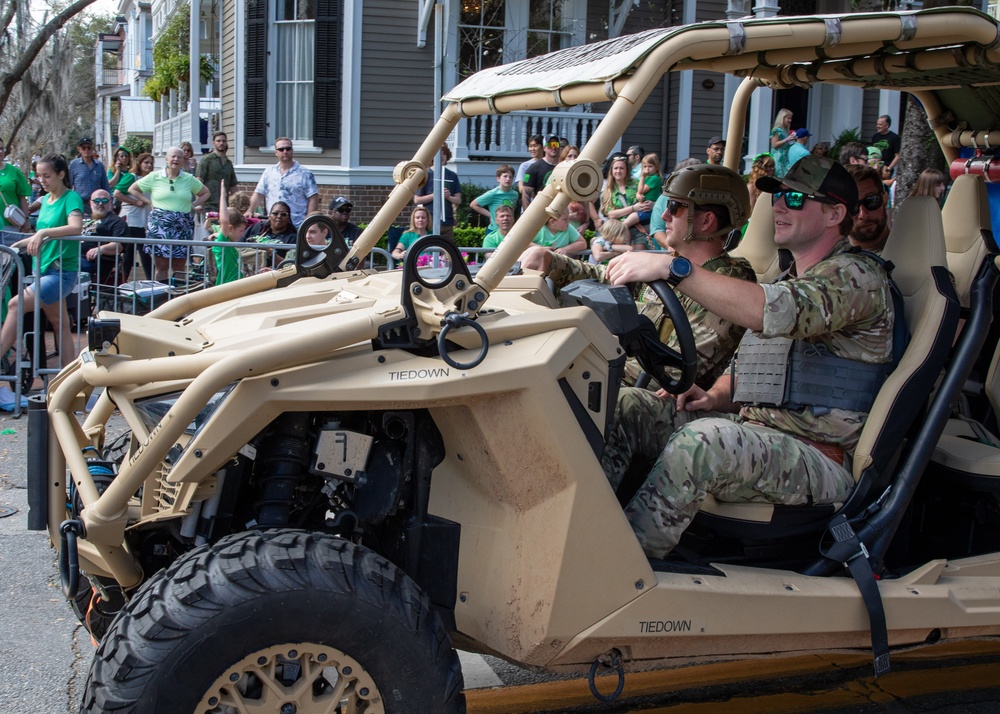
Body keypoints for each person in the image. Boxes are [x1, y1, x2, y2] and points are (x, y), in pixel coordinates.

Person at [601, 155, 893, 559]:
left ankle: (618, 569)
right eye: (775, 196)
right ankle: (584, 533)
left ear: (835, 213)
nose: (776, 206)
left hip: (820, 455)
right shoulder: (789, 280)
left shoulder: (856, 278)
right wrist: (715, 395)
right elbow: (757, 361)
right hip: (758, 430)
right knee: (627, 406)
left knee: (704, 442)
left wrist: (673, 267)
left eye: (794, 198)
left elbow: (769, 310)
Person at [522, 163, 756, 391]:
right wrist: (552, 263)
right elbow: (609, 277)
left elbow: (674, 372)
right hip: (628, 377)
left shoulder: (728, 282)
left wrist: (584, 364)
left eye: (675, 207)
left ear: (706, 221)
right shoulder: (669, 264)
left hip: (668, 399)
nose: (664, 215)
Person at [0, 154, 85, 405]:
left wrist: (44, 232)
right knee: (60, 324)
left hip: (60, 273)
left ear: (61, 174)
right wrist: (22, 243)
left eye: (46, 175)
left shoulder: (72, 198)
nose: (42, 180)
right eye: (39, 176)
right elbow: (40, 233)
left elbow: (75, 227)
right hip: (43, 269)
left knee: (15, 305)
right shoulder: (46, 200)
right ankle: (71, 383)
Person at [129, 146, 210, 282]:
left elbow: (205, 193)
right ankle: (160, 296)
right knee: (161, 266)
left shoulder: (188, 178)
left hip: (182, 225)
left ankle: (178, 296)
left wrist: (193, 205)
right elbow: (133, 189)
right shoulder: (155, 176)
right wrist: (148, 202)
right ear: (166, 159)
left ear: (183, 160)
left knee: (179, 266)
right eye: (173, 156)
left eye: (179, 157)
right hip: (160, 225)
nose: (175, 159)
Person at [247, 138, 319, 228]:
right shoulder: (269, 172)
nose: (285, 151)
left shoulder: (305, 173)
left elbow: (313, 198)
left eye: (288, 149)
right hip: (273, 225)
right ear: (276, 152)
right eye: (281, 149)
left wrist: (308, 222)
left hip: (297, 225)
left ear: (292, 151)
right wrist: (249, 210)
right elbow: (259, 194)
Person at [599, 155, 654, 249]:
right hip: (618, 232)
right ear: (611, 171)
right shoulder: (607, 191)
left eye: (621, 168)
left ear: (627, 170)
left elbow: (652, 197)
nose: (618, 171)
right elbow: (611, 214)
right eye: (616, 168)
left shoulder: (637, 184)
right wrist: (633, 208)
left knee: (638, 258)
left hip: (639, 228)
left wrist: (653, 204)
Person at [114, 152, 154, 281]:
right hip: (131, 220)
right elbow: (117, 193)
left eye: (151, 163)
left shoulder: (150, 180)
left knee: (135, 254)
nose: (149, 165)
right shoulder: (132, 177)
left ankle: (123, 280)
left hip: (143, 221)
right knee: (137, 254)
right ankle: (150, 281)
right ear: (139, 163)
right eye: (146, 162)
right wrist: (135, 201)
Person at [80, 189, 128, 284]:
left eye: (105, 201)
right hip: (72, 257)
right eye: (96, 201)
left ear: (110, 203)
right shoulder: (83, 218)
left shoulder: (117, 222)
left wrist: (100, 249)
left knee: (65, 267)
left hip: (95, 262)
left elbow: (119, 245)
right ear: (90, 203)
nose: (100, 203)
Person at [413, 145, 461, 240]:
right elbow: (417, 200)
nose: (441, 156)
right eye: (438, 154)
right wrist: (435, 195)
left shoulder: (452, 176)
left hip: (447, 222)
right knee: (430, 250)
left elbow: (458, 200)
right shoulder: (426, 175)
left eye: (444, 153)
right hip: (430, 222)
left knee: (447, 252)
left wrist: (448, 197)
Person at [845, 164, 890, 253]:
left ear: (885, 199)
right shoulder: (828, 257)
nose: (863, 214)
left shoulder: (915, 251)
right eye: (852, 206)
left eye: (871, 201)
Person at [210, 183, 248, 286]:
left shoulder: (230, 245)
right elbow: (224, 221)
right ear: (230, 228)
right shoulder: (222, 243)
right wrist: (223, 196)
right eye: (240, 231)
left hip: (234, 286)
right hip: (225, 286)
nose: (242, 234)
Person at [243, 200, 296, 272]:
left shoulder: (293, 238)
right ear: (269, 216)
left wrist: (269, 252)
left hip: (272, 275)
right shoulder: (258, 227)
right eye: (275, 213)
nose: (279, 216)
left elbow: (289, 265)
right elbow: (237, 245)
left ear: (288, 218)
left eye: (283, 214)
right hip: (248, 272)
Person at [196, 131, 239, 213]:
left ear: (226, 142)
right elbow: (198, 182)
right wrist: (199, 203)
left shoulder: (228, 163)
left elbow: (233, 186)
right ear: (213, 143)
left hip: (224, 206)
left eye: (223, 141)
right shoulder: (206, 160)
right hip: (208, 205)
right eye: (218, 141)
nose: (221, 143)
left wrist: (238, 204)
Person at [470, 164, 518, 234]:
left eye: (510, 177)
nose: (508, 179)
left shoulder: (515, 194)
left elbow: (513, 208)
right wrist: (491, 215)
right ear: (498, 179)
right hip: (494, 230)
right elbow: (473, 204)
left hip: (508, 230)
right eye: (505, 176)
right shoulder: (493, 193)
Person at [68, 138, 110, 215]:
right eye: (83, 148)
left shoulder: (99, 165)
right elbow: (69, 186)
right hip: (81, 204)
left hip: (98, 203)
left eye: (89, 147)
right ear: (79, 149)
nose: (86, 150)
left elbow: (105, 186)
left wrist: (109, 202)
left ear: (92, 149)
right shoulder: (74, 165)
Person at [623, 153, 662, 233]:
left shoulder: (654, 178)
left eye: (650, 166)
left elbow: (641, 190)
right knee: (628, 222)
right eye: (645, 166)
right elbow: (638, 192)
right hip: (642, 207)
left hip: (647, 209)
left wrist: (642, 177)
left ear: (656, 168)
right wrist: (638, 195)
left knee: (626, 223)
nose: (647, 169)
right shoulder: (649, 177)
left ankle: (616, 236)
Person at [0, 138, 32, 233]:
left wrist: (26, 221)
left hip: (10, 225)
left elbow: (22, 198)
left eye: (2, 148)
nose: (0, 151)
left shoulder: (13, 171)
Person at [521, 135, 560, 208]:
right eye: (550, 145)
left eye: (556, 144)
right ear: (544, 148)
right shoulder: (534, 167)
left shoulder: (563, 166)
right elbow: (526, 193)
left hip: (560, 209)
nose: (553, 147)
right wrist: (527, 216)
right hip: (541, 209)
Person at [769, 109, 794, 177]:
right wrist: (787, 139)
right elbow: (774, 145)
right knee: (778, 175)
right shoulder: (777, 130)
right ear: (782, 118)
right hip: (778, 157)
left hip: (785, 157)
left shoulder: (785, 130)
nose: (790, 120)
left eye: (790, 118)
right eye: (788, 118)